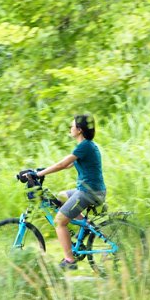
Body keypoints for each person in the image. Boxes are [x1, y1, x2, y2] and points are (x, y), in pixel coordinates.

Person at [27, 114, 106, 270]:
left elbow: (62, 165)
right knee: (62, 196)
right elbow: (68, 164)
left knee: (60, 221)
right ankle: (86, 225)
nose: (70, 128)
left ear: (79, 129)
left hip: (89, 193)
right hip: (91, 190)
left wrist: (37, 175)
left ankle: (69, 260)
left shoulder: (84, 146)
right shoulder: (87, 146)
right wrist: (41, 170)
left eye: (72, 126)